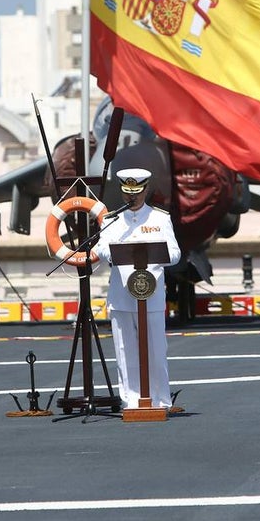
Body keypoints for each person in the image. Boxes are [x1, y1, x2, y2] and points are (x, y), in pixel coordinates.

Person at [94, 167, 182, 412]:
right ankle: (131, 400)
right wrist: (114, 252)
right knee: (124, 351)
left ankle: (161, 399)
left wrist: (155, 254)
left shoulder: (160, 218)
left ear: (145, 190)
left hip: (150, 294)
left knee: (156, 350)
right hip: (121, 295)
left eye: (136, 193)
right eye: (127, 193)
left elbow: (175, 254)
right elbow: (100, 249)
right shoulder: (111, 220)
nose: (131, 198)